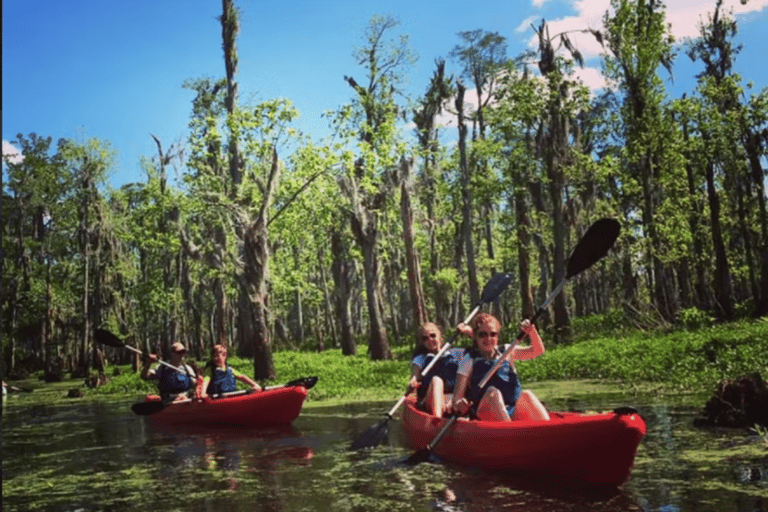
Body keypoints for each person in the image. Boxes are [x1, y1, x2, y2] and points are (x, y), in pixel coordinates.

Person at [452, 313, 550, 422]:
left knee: (527, 394)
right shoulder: (468, 360)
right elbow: (456, 399)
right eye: (482, 334)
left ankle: (547, 430)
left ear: (497, 335)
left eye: (493, 334)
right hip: (484, 413)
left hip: (511, 410)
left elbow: (537, 350)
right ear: (475, 336)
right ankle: (510, 433)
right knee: (493, 393)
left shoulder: (507, 351)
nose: (488, 338)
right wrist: (460, 404)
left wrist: (532, 331)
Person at [408, 322, 463, 418]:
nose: (430, 339)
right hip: (430, 400)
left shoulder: (456, 353)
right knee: (436, 380)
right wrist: (412, 382)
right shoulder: (421, 358)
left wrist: (469, 332)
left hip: (453, 400)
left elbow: (478, 350)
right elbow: (414, 376)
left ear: (440, 337)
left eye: (433, 335)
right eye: (425, 338)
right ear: (422, 342)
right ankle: (437, 420)